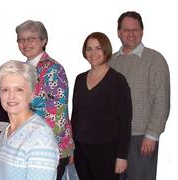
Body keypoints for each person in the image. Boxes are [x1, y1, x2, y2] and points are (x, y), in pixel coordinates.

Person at [109, 11, 171, 180]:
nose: (130, 34)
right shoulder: (110, 61)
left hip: (141, 138)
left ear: (142, 31)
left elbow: (161, 99)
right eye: (126, 30)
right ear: (119, 33)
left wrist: (152, 135)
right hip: (114, 137)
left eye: (135, 29)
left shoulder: (155, 60)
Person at [15, 20, 75, 180]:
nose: (25, 43)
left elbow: (58, 113)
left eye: (31, 38)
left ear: (43, 41)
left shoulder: (54, 69)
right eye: (21, 39)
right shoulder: (18, 70)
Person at [71, 32, 132, 180]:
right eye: (89, 48)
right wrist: (71, 148)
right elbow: (75, 116)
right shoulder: (80, 79)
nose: (93, 53)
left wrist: (122, 156)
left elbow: (125, 121)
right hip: (81, 150)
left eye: (98, 48)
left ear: (106, 50)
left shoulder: (118, 81)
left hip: (107, 152)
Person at [0, 60, 59, 180]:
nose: (11, 96)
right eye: (5, 90)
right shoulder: (5, 133)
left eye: (19, 90)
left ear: (32, 94)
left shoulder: (40, 136)